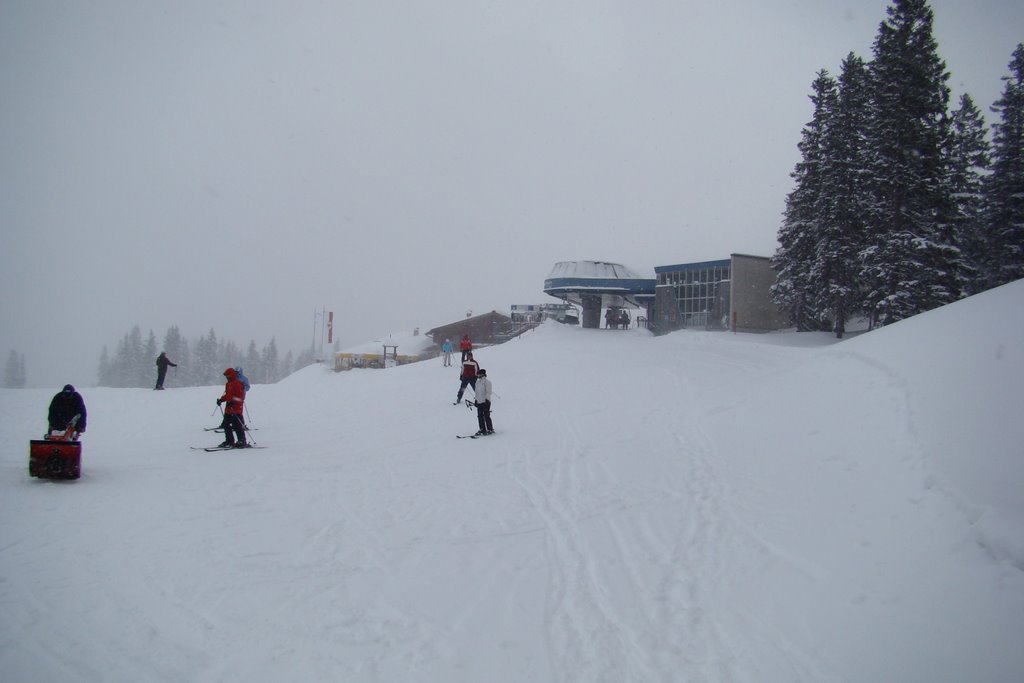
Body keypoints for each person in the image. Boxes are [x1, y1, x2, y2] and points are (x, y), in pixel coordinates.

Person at [216, 367, 249, 448]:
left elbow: (240, 397)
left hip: (236, 409)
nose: (226, 378)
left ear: (231, 375)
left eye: (227, 376)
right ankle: (229, 441)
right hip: (228, 409)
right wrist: (221, 400)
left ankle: (242, 441)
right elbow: (227, 395)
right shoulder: (228, 384)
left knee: (237, 425)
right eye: (226, 376)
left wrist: (233, 401)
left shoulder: (238, 383)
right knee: (226, 425)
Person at [473, 368, 494, 436]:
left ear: (483, 374)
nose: (478, 375)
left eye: (479, 374)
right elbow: (476, 392)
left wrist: (487, 401)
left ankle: (490, 429)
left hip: (485, 402)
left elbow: (488, 392)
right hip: (479, 401)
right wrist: (476, 400)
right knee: (479, 416)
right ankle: (482, 429)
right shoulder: (477, 382)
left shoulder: (487, 382)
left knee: (486, 415)